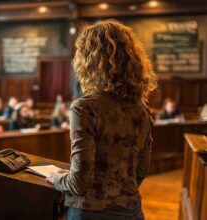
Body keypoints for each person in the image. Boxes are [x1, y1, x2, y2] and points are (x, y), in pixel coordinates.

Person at [45, 20, 157, 220]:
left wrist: (57, 179)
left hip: (90, 212)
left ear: (89, 60)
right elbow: (140, 171)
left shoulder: (84, 107)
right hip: (131, 211)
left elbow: (79, 183)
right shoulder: (142, 109)